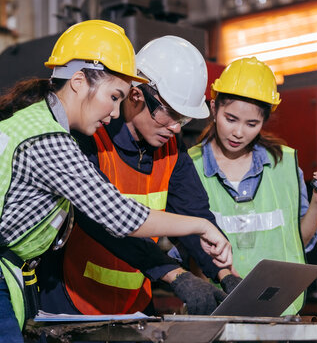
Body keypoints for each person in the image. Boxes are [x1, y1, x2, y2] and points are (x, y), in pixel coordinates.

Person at [0, 20, 233, 343]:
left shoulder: (30, 121)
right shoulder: (48, 139)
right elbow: (120, 216)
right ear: (80, 82)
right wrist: (200, 227)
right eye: (113, 97)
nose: (114, 112)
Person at [37, 36, 241, 318]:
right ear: (137, 95)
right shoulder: (90, 137)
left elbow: (194, 214)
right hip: (72, 301)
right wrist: (174, 274)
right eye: (169, 114)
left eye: (183, 120)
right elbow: (106, 221)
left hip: (135, 306)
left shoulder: (171, 151)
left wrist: (223, 273)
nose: (175, 128)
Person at [188, 56, 317, 315]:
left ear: (264, 121)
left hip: (277, 312)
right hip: (215, 313)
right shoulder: (189, 167)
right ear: (214, 107)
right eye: (231, 119)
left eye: (252, 124)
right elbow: (186, 252)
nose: (239, 132)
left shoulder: (283, 165)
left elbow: (298, 242)